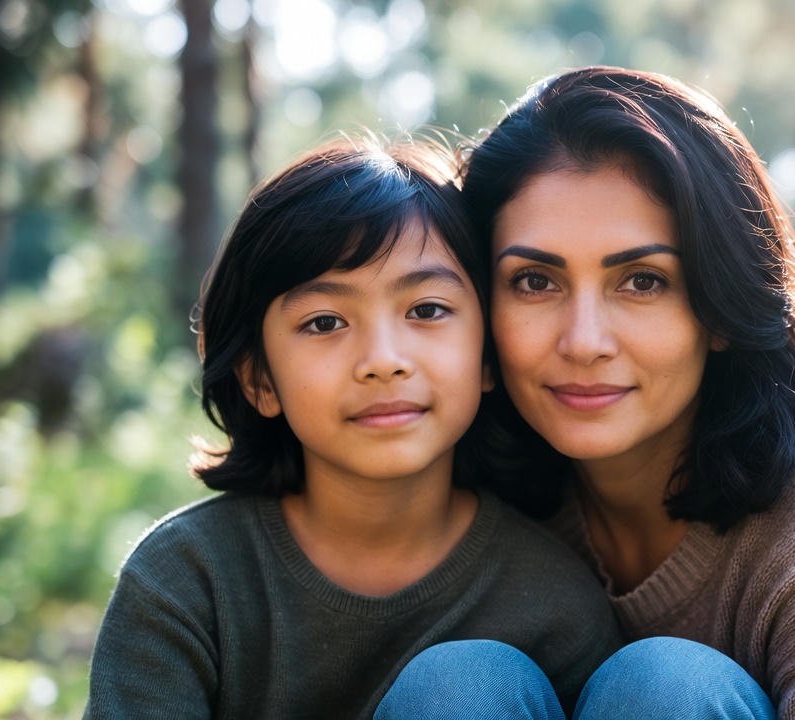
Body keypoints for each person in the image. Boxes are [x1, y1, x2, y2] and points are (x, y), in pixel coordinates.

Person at [450, 66, 795, 718]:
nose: (583, 341)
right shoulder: (475, 494)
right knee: (457, 684)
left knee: (665, 689)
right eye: (534, 282)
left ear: (720, 308)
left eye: (641, 281)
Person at [83, 136, 622, 719]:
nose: (382, 359)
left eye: (426, 310)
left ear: (488, 355)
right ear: (260, 379)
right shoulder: (187, 581)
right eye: (325, 322)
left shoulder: (552, 599)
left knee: (465, 689)